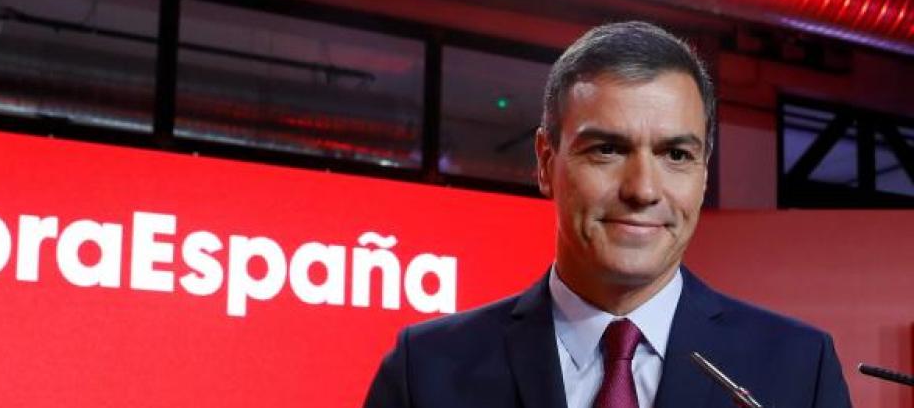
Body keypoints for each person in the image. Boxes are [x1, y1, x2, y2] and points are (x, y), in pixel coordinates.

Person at [362, 21, 851, 408]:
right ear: (546, 162)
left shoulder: (798, 369)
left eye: (676, 155)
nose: (642, 189)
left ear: (704, 174)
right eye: (607, 150)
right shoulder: (426, 371)